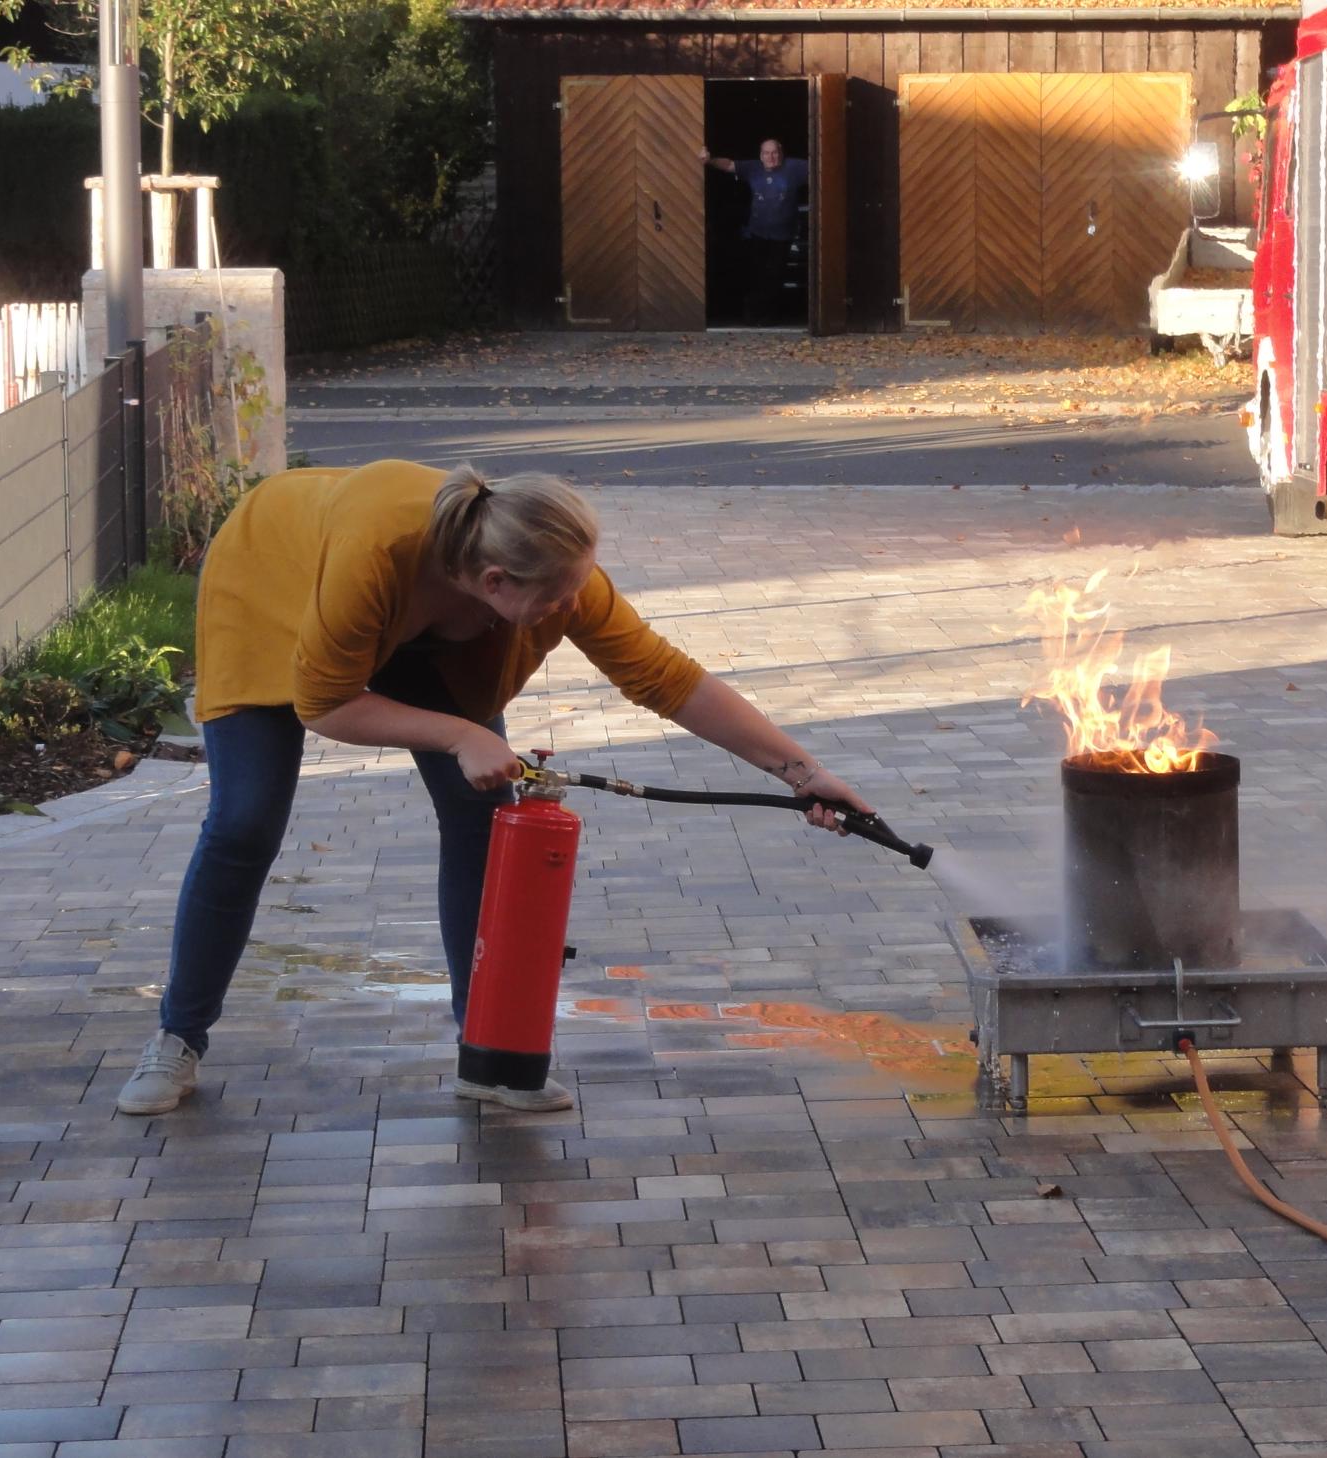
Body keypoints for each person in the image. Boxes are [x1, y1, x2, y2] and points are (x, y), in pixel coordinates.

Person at [116, 460, 870, 1117]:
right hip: (272, 578)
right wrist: (459, 734)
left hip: (424, 625)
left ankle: (489, 1052)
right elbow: (326, 704)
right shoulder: (375, 557)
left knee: (480, 811)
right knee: (246, 822)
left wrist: (802, 774)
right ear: (494, 583)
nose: (570, 609)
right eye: (556, 601)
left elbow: (666, 679)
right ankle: (178, 1037)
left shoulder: (552, 574)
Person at [699, 138, 810, 325]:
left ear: (781, 153)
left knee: (775, 275)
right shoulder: (753, 168)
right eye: (766, 153)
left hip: (782, 235)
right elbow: (729, 165)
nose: (771, 157)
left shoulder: (795, 168)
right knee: (756, 274)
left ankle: (769, 316)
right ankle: (752, 315)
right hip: (758, 233)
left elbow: (821, 168)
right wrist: (709, 160)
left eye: (774, 152)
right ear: (761, 155)